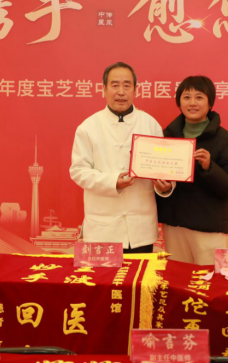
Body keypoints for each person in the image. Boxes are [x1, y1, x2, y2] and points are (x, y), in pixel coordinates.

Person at [70, 62, 173, 253]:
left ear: (136, 90)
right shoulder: (88, 127)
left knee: (139, 273)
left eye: (127, 85)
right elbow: (78, 171)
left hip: (141, 228)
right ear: (104, 89)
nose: (121, 92)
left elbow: (163, 168)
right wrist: (113, 182)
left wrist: (165, 186)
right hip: (102, 229)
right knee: (103, 274)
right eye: (115, 85)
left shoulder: (150, 124)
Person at [157, 76, 228, 265]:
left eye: (199, 97)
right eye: (186, 97)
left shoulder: (225, 140)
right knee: (177, 279)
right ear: (179, 102)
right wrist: (163, 188)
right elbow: (158, 177)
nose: (192, 103)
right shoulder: (166, 136)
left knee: (208, 281)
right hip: (174, 226)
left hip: (208, 229)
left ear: (210, 103)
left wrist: (209, 167)